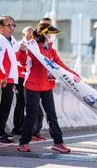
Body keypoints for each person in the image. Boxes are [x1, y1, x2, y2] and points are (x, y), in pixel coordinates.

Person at [17, 23, 79, 152]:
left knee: (52, 115)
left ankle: (58, 143)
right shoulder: (33, 46)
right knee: (32, 115)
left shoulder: (52, 51)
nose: (52, 37)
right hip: (32, 85)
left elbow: (61, 66)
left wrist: (75, 76)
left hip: (47, 86)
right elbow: (23, 62)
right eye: (50, 34)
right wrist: (22, 50)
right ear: (44, 34)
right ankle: (23, 143)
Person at [11, 26, 47, 141]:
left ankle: (35, 130)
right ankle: (18, 127)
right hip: (20, 77)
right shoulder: (17, 46)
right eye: (29, 32)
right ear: (23, 34)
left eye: (33, 32)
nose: (31, 34)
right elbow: (15, 61)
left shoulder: (34, 46)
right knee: (21, 102)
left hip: (30, 78)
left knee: (34, 106)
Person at [0, 15, 18, 146]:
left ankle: (2, 133)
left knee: (5, 108)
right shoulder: (0, 39)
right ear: (1, 27)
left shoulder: (11, 40)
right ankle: (0, 135)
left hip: (10, 80)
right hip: (4, 79)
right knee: (2, 108)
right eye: (9, 25)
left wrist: (14, 81)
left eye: (13, 25)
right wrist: (3, 75)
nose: (12, 28)